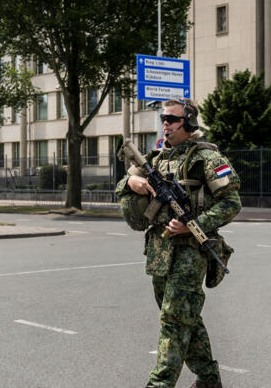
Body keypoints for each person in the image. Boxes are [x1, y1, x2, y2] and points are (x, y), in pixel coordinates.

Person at [115, 99, 241, 388]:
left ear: (190, 124)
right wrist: (130, 183)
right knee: (185, 318)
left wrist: (192, 226)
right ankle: (209, 379)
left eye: (172, 119)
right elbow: (124, 186)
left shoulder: (207, 158)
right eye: (163, 118)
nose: (166, 124)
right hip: (159, 253)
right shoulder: (155, 159)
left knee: (173, 320)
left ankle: (160, 384)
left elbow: (232, 204)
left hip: (191, 252)